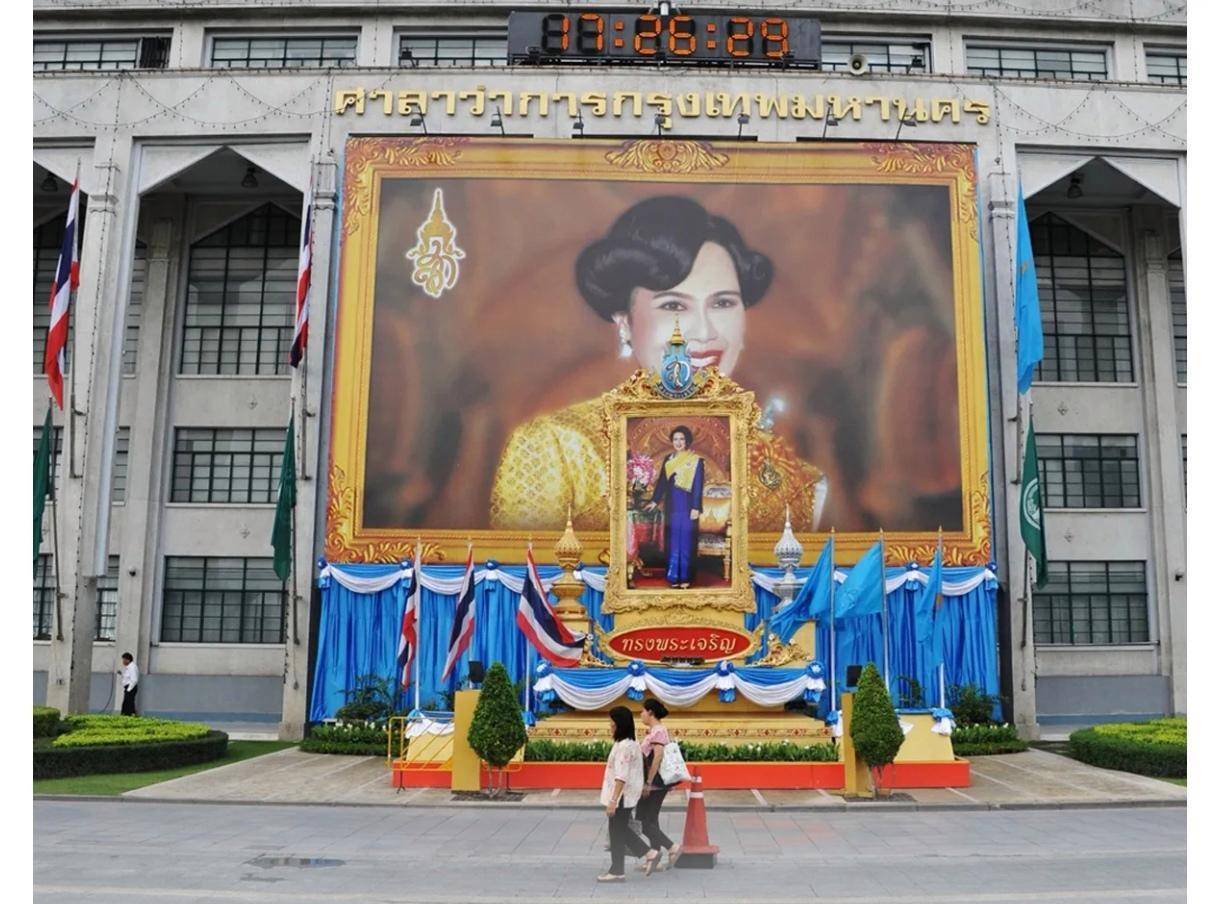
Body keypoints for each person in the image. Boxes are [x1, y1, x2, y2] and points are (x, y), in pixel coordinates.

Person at [491, 195, 827, 534]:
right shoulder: (556, 449)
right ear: (625, 323)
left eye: (723, 303)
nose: (704, 332)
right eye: (674, 306)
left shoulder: (791, 479)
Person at [599, 706, 661, 882]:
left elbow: (621, 776)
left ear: (619, 724)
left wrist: (613, 800)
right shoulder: (631, 744)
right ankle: (617, 870)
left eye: (612, 723)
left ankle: (648, 853)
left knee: (618, 830)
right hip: (626, 795)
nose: (610, 726)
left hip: (622, 796)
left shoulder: (625, 747)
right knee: (617, 831)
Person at [645, 427, 704, 588]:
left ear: (687, 441)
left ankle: (685, 577)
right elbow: (662, 482)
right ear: (672, 441)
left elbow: (698, 485)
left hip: (688, 504)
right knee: (673, 539)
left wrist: (696, 507)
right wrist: (655, 501)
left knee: (686, 540)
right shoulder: (669, 459)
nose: (678, 442)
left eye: (682, 439)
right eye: (675, 439)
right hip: (672, 504)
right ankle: (673, 577)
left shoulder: (696, 460)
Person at [636, 698, 682, 870]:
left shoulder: (659, 731)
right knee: (651, 820)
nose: (641, 714)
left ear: (650, 712)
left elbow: (658, 756)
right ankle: (655, 857)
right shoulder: (654, 731)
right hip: (653, 783)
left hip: (654, 784)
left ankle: (672, 847)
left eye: (643, 711)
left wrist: (648, 782)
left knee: (642, 821)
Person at [120, 652, 139, 716]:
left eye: (124, 660)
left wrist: (129, 689)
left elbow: (134, 679)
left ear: (128, 660)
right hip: (129, 687)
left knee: (128, 703)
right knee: (128, 703)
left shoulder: (132, 667)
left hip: (130, 687)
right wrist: (122, 674)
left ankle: (128, 715)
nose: (123, 661)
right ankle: (129, 714)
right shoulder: (129, 667)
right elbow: (128, 677)